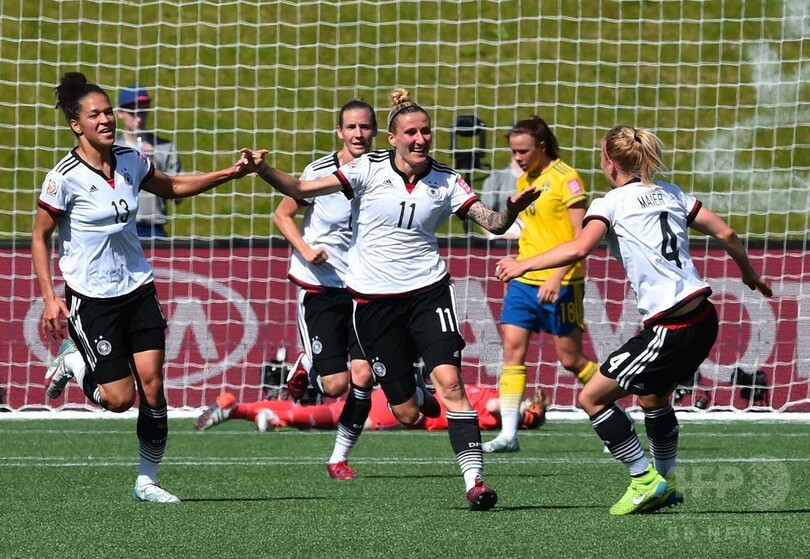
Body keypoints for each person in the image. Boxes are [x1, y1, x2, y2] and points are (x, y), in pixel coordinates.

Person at [246, 87, 541, 511]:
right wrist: (263, 169)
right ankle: (416, 392)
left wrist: (511, 209)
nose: (420, 140)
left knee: (451, 383)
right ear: (393, 139)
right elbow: (300, 187)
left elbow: (493, 223)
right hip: (374, 304)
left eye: (426, 132)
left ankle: (475, 482)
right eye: (411, 133)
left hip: (428, 293)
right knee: (406, 413)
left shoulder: (447, 180)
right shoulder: (366, 169)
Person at [495, 124, 772, 515]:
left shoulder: (610, 203)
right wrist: (748, 274)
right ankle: (666, 480)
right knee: (653, 397)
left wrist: (523, 264)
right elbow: (726, 232)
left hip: (671, 326)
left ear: (609, 161)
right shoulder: (672, 192)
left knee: (591, 398)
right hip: (704, 317)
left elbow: (579, 248)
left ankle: (643, 479)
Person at [32, 72, 251, 503]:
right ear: (76, 125)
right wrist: (50, 298)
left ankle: (146, 481)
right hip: (92, 298)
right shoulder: (63, 178)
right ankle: (74, 363)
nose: (106, 120)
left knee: (153, 385)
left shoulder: (130, 160)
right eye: (94, 115)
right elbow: (40, 236)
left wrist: (233, 172)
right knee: (118, 399)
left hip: (138, 288)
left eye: (108, 112)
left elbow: (174, 186)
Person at [200, 99, 381, 481]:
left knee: (363, 375)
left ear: (375, 131)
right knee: (334, 385)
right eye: (351, 127)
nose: (358, 134)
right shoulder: (319, 172)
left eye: (365, 127)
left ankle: (338, 458)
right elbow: (282, 214)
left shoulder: (384, 172)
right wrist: (306, 249)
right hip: (321, 285)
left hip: (365, 286)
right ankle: (306, 366)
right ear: (339, 131)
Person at [484, 116, 601, 454]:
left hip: (562, 282)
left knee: (571, 359)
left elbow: (579, 237)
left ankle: (616, 413)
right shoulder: (526, 181)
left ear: (542, 146)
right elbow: (532, 230)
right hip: (524, 281)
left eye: (523, 151)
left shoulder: (567, 179)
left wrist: (557, 275)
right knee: (512, 352)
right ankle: (509, 434)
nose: (517, 158)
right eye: (513, 151)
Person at [195, 384, 549, 433]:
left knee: (335, 410)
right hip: (405, 410)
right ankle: (276, 416)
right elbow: (495, 406)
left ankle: (238, 408)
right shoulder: (495, 403)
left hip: (402, 396)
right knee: (336, 417)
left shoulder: (489, 391)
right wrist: (517, 416)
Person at [115, 85, 183, 238]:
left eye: (143, 111)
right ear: (120, 113)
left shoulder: (165, 148)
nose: (138, 118)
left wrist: (154, 166)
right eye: (132, 112)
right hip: (120, 228)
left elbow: (179, 197)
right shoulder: (111, 150)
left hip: (154, 228)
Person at [479, 149, 524, 240]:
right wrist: (494, 236)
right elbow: (483, 216)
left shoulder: (544, 180)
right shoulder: (495, 178)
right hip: (502, 242)